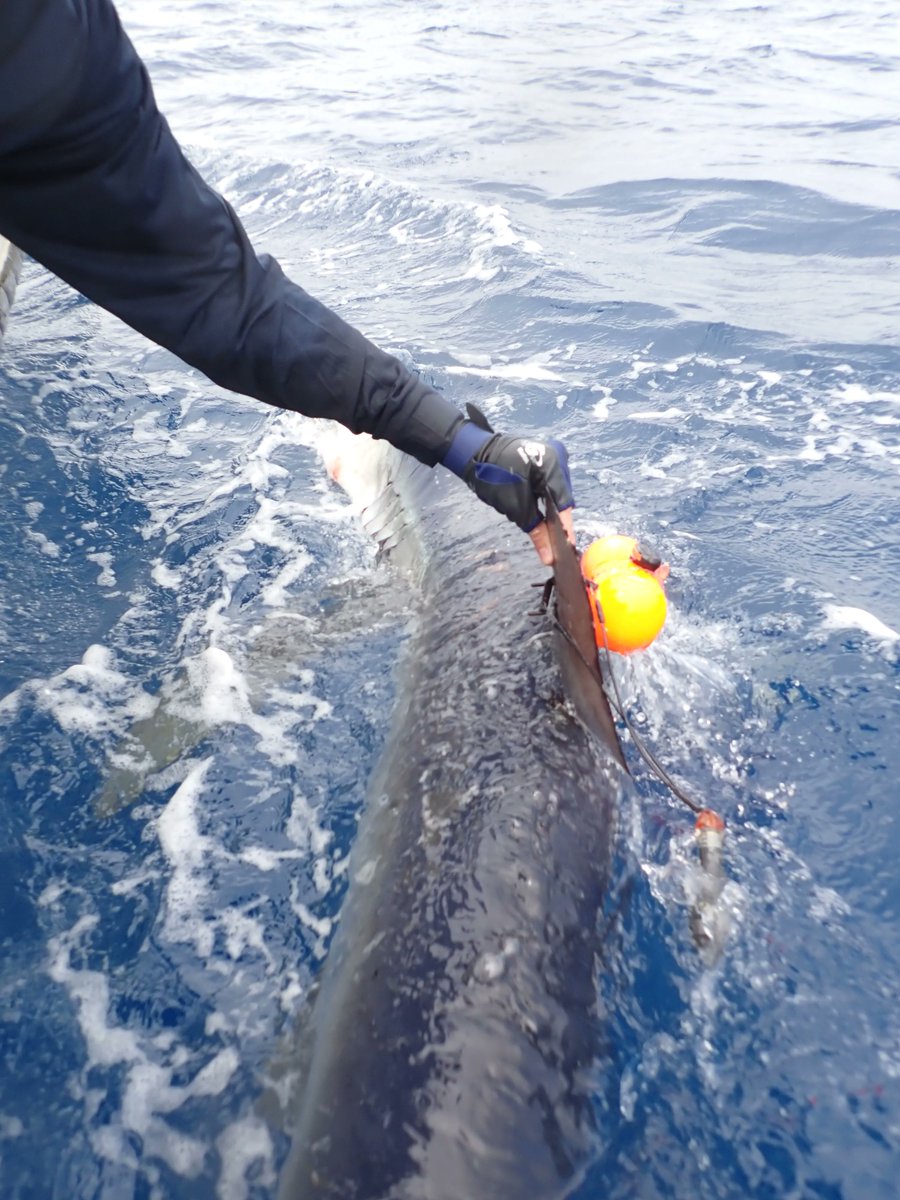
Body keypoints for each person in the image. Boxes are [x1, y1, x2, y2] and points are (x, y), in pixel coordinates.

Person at [0, 0, 575, 564]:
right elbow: (226, 302)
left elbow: (222, 298)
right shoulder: (59, 48)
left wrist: (473, 450)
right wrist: (469, 448)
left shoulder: (55, 48)